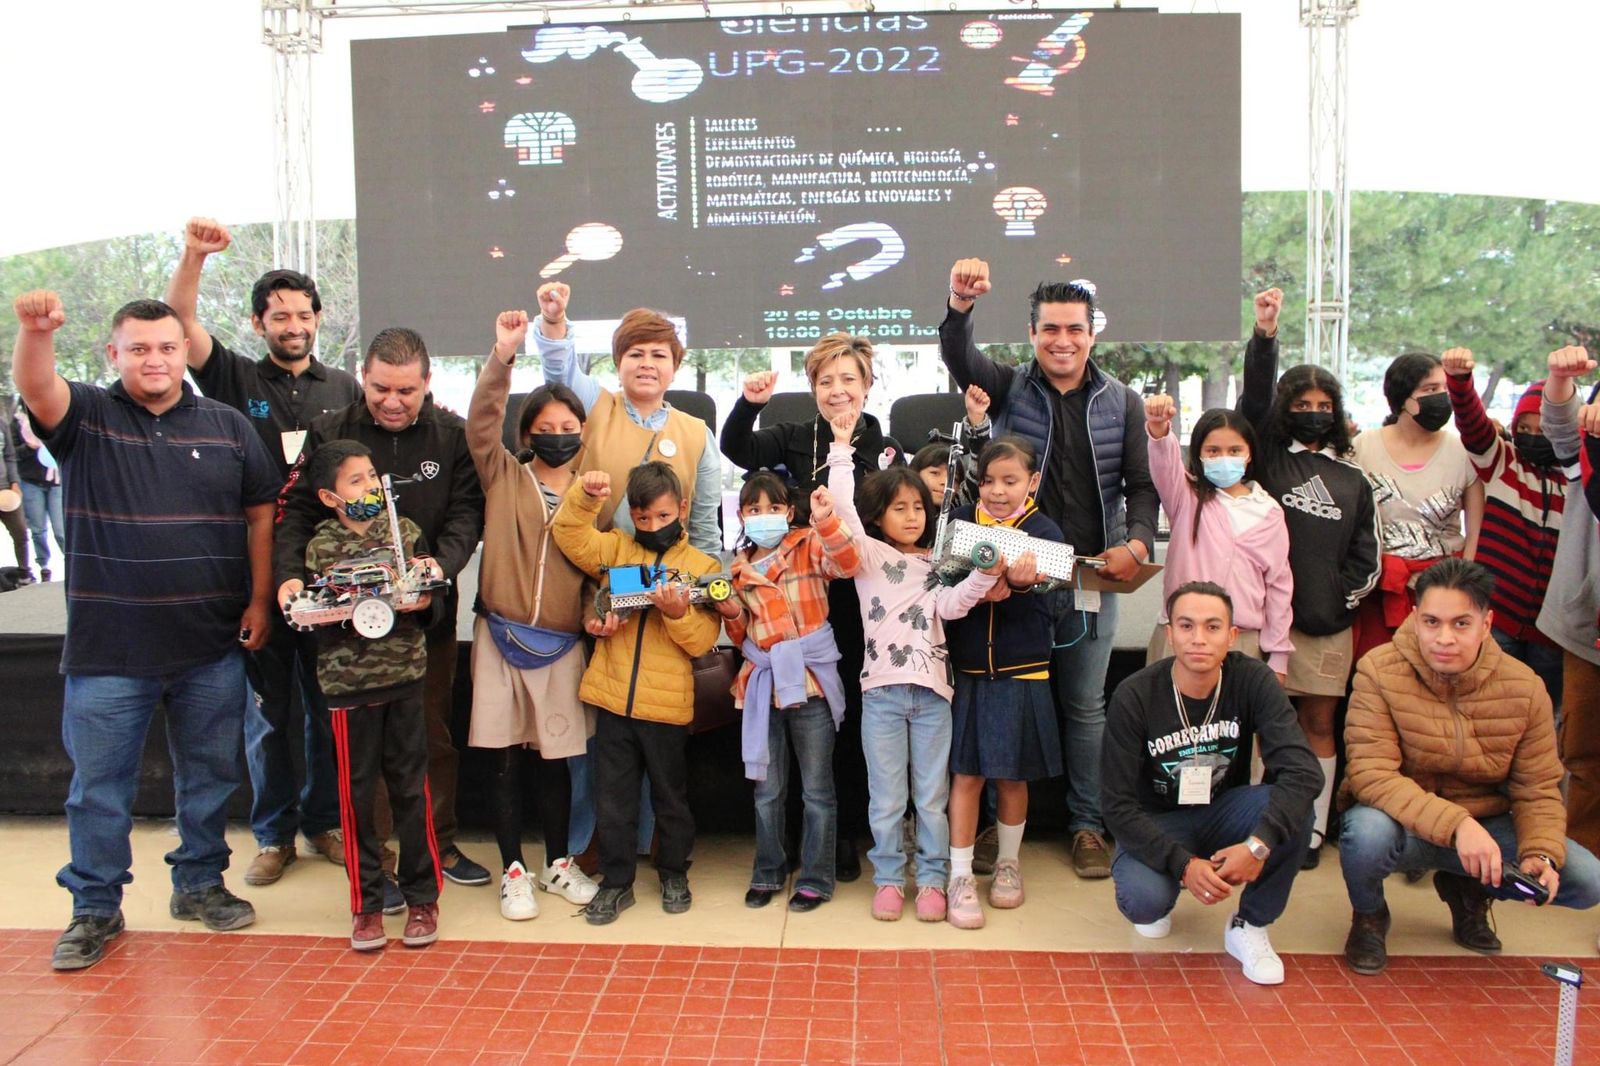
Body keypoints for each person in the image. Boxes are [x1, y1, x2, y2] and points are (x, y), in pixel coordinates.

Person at [13, 292, 280, 971]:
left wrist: (258, 601)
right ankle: (94, 907)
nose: (154, 359)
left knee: (210, 778)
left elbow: (260, 514)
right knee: (98, 790)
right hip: (108, 652)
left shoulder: (227, 426)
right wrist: (35, 332)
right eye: (138, 348)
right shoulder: (85, 416)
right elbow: (36, 386)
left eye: (165, 347)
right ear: (114, 354)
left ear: (184, 351)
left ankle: (199, 883)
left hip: (210, 647)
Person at [941, 259, 1159, 880]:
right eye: (1050, 329)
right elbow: (960, 356)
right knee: (999, 703)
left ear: (1093, 333)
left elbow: (1142, 487)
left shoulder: (1123, 402)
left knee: (1085, 708)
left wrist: (1138, 543)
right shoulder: (1010, 387)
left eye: (1075, 329)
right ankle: (994, 828)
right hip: (1008, 578)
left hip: (1087, 576)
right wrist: (959, 305)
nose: (1063, 340)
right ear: (1032, 333)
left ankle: (1087, 825)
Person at [164, 217, 364, 886]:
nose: (293, 325)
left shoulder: (346, 388)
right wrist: (194, 256)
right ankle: (274, 835)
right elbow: (179, 321)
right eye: (280, 316)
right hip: (255, 571)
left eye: (303, 314)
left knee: (328, 710)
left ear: (318, 319)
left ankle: (324, 824)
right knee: (270, 716)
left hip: (329, 575)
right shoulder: (232, 376)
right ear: (259, 324)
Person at [273, 326, 489, 897]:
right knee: (362, 754)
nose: (392, 402)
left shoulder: (452, 436)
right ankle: (378, 864)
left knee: (430, 734)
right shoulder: (329, 432)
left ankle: (439, 843)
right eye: (380, 389)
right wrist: (289, 575)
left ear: (427, 384)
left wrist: (439, 567)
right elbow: (295, 513)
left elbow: (467, 513)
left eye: (406, 391)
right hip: (348, 630)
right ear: (362, 378)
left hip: (425, 617)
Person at [1339, 558, 1600, 974]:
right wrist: (1458, 826)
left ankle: (1469, 889)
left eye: (1461, 624)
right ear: (1415, 619)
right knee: (1364, 834)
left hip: (1487, 828)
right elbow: (1373, 776)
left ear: (1486, 623)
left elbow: (1537, 789)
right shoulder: (1377, 671)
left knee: (1587, 881)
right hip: (1404, 824)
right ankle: (1369, 915)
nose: (1444, 638)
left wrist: (1541, 853)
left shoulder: (1525, 687)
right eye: (1432, 622)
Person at [721, 333, 906, 883]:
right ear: (812, 387)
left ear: (867, 384)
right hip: (803, 594)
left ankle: (843, 831)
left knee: (848, 715)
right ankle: (796, 839)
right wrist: (749, 403)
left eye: (849, 379)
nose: (837, 390)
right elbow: (737, 448)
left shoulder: (884, 447)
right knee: (807, 716)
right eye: (826, 380)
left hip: (866, 595)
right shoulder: (795, 436)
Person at [826, 410, 999, 922]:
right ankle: (887, 879)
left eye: (918, 507)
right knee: (885, 799)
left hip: (933, 697)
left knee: (931, 798)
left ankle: (930, 881)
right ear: (879, 517)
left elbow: (953, 606)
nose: (911, 516)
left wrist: (982, 575)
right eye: (898, 508)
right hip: (880, 695)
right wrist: (840, 449)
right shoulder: (870, 557)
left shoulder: (938, 564)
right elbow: (842, 510)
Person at [1102, 581, 1320, 985]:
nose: (1198, 639)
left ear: (1232, 635)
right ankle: (1166, 885)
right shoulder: (1135, 695)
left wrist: (1258, 845)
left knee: (1295, 807)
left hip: (1225, 812)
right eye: (1186, 626)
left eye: (1212, 627)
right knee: (1144, 903)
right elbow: (1116, 806)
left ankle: (1249, 925)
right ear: (1169, 633)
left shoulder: (1252, 680)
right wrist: (1183, 866)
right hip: (1159, 820)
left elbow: (1304, 772)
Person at [1237, 289, 1380, 869]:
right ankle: (1253, 824)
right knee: (1257, 726)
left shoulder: (1353, 478)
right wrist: (1265, 336)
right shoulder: (1268, 457)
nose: (1315, 411)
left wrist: (1337, 602)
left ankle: (1313, 829)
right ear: (1286, 407)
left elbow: (1367, 556)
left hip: (1324, 626)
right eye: (1303, 402)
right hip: (1263, 625)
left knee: (1318, 722)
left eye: (1325, 404)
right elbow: (1252, 395)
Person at [465, 310, 597, 921]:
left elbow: (601, 570)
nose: (557, 435)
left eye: (568, 427)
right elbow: (481, 421)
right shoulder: (503, 475)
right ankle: (513, 870)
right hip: (499, 635)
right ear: (527, 433)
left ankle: (558, 863)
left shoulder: (596, 494)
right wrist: (502, 356)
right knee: (503, 757)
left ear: (583, 432)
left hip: (562, 644)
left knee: (556, 758)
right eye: (545, 428)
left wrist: (597, 613)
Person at [550, 463, 723, 925]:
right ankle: (616, 882)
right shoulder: (617, 548)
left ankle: (674, 873)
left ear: (682, 508)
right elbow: (569, 534)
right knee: (613, 799)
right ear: (630, 513)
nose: (652, 526)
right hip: (613, 700)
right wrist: (585, 496)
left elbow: (702, 642)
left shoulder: (703, 567)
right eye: (642, 518)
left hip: (666, 707)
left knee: (670, 798)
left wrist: (677, 614)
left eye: (662, 516)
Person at [293, 440, 442, 951]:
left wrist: (424, 594)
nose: (370, 487)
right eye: (355, 481)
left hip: (404, 675)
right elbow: (317, 607)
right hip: (346, 685)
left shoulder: (405, 532)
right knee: (356, 798)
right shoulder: (320, 547)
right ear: (329, 497)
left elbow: (428, 595)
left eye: (373, 476)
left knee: (411, 791)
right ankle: (367, 905)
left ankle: (423, 898)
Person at [716, 469, 860, 913]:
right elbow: (741, 633)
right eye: (754, 508)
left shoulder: (808, 545)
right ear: (742, 515)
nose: (764, 515)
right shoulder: (737, 570)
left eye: (774, 507)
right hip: (763, 685)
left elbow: (848, 564)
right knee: (767, 791)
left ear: (789, 511)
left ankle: (816, 878)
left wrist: (827, 520)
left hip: (811, 684)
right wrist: (729, 612)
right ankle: (768, 871)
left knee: (817, 790)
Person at [943, 437, 1059, 929]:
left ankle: (1009, 864)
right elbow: (940, 586)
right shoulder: (960, 523)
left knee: (1013, 776)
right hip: (968, 674)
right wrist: (975, 589)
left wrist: (1026, 587)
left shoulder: (1044, 531)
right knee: (966, 775)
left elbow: (1056, 602)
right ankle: (960, 875)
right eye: (988, 480)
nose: (996, 491)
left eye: (1010, 481)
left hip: (1021, 673)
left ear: (1032, 482)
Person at [1439, 347, 1568, 721]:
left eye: (1544, 429)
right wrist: (1459, 381)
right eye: (1524, 429)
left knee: (1544, 716)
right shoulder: (1503, 461)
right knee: (1486, 711)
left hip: (1553, 628)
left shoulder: (1576, 479)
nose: (1533, 437)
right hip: (1497, 617)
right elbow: (1472, 424)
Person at [1142, 396, 1294, 679]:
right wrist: (1159, 427)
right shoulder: (1185, 496)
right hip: (1181, 637)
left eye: (1234, 450)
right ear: (1198, 454)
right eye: (1213, 451)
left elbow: (1279, 587)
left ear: (1249, 454)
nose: (1224, 458)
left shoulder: (1269, 511)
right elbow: (1164, 464)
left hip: (1243, 641)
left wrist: (1278, 655)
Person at [1351, 351, 1484, 664]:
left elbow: (1475, 530)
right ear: (1402, 398)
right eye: (1430, 389)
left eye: (1444, 389)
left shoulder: (1463, 451)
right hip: (1380, 588)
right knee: (1378, 672)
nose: (1441, 397)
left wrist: (1462, 586)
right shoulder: (1362, 447)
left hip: (1445, 591)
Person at [1536, 346, 1600, 867]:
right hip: (1588, 628)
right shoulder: (1587, 458)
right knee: (1583, 753)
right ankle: (1584, 864)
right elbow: (1559, 425)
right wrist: (1560, 379)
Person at [12, 399, 64, 582]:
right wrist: (29, 447)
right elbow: (12, 454)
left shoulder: (57, 418)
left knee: (61, 529)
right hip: (31, 482)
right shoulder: (17, 423)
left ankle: (72, 562)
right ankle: (44, 566)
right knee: (38, 529)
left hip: (56, 481)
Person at [0, 406, 30, 583]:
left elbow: (10, 456)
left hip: (6, 490)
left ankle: (24, 573)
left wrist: (15, 482)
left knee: (20, 532)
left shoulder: (2, 424)